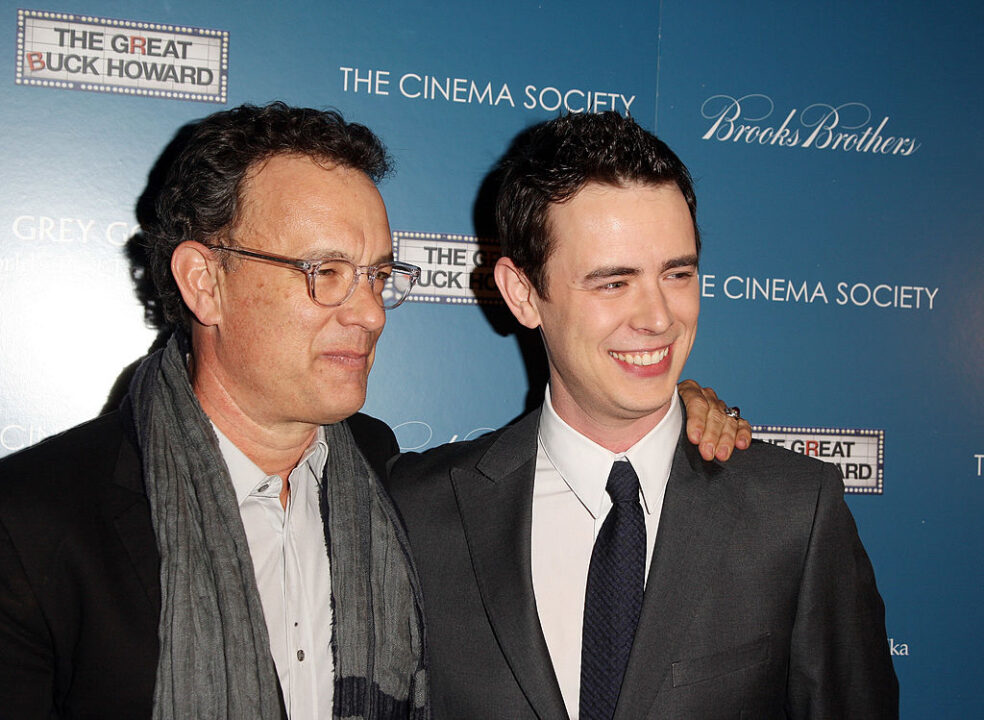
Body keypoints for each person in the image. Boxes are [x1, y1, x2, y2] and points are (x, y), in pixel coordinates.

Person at [0, 103, 746, 719]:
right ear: (204, 281)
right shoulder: (37, 526)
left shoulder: (388, 480)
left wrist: (661, 406)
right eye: (324, 272)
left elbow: (544, 458)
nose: (368, 312)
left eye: (379, 275)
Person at [385, 112, 899, 720]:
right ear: (523, 293)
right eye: (613, 283)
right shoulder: (417, 510)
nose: (658, 317)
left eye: (677, 274)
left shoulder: (794, 513)